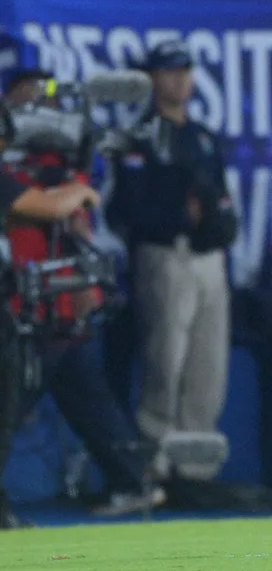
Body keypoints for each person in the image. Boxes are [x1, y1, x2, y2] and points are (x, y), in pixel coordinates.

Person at [106, 40, 237, 482]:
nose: (180, 79)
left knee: (207, 367)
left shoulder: (201, 136)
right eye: (170, 71)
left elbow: (221, 200)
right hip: (165, 256)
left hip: (209, 257)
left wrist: (217, 223)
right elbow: (124, 212)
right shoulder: (138, 138)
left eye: (186, 70)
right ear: (151, 79)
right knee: (164, 362)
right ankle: (155, 465)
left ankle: (195, 471)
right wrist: (181, 215)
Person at [1, 175, 165, 528]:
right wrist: (81, 190)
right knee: (10, 405)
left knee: (75, 388)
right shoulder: (16, 183)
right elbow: (50, 207)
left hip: (41, 316)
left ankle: (131, 480)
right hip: (24, 316)